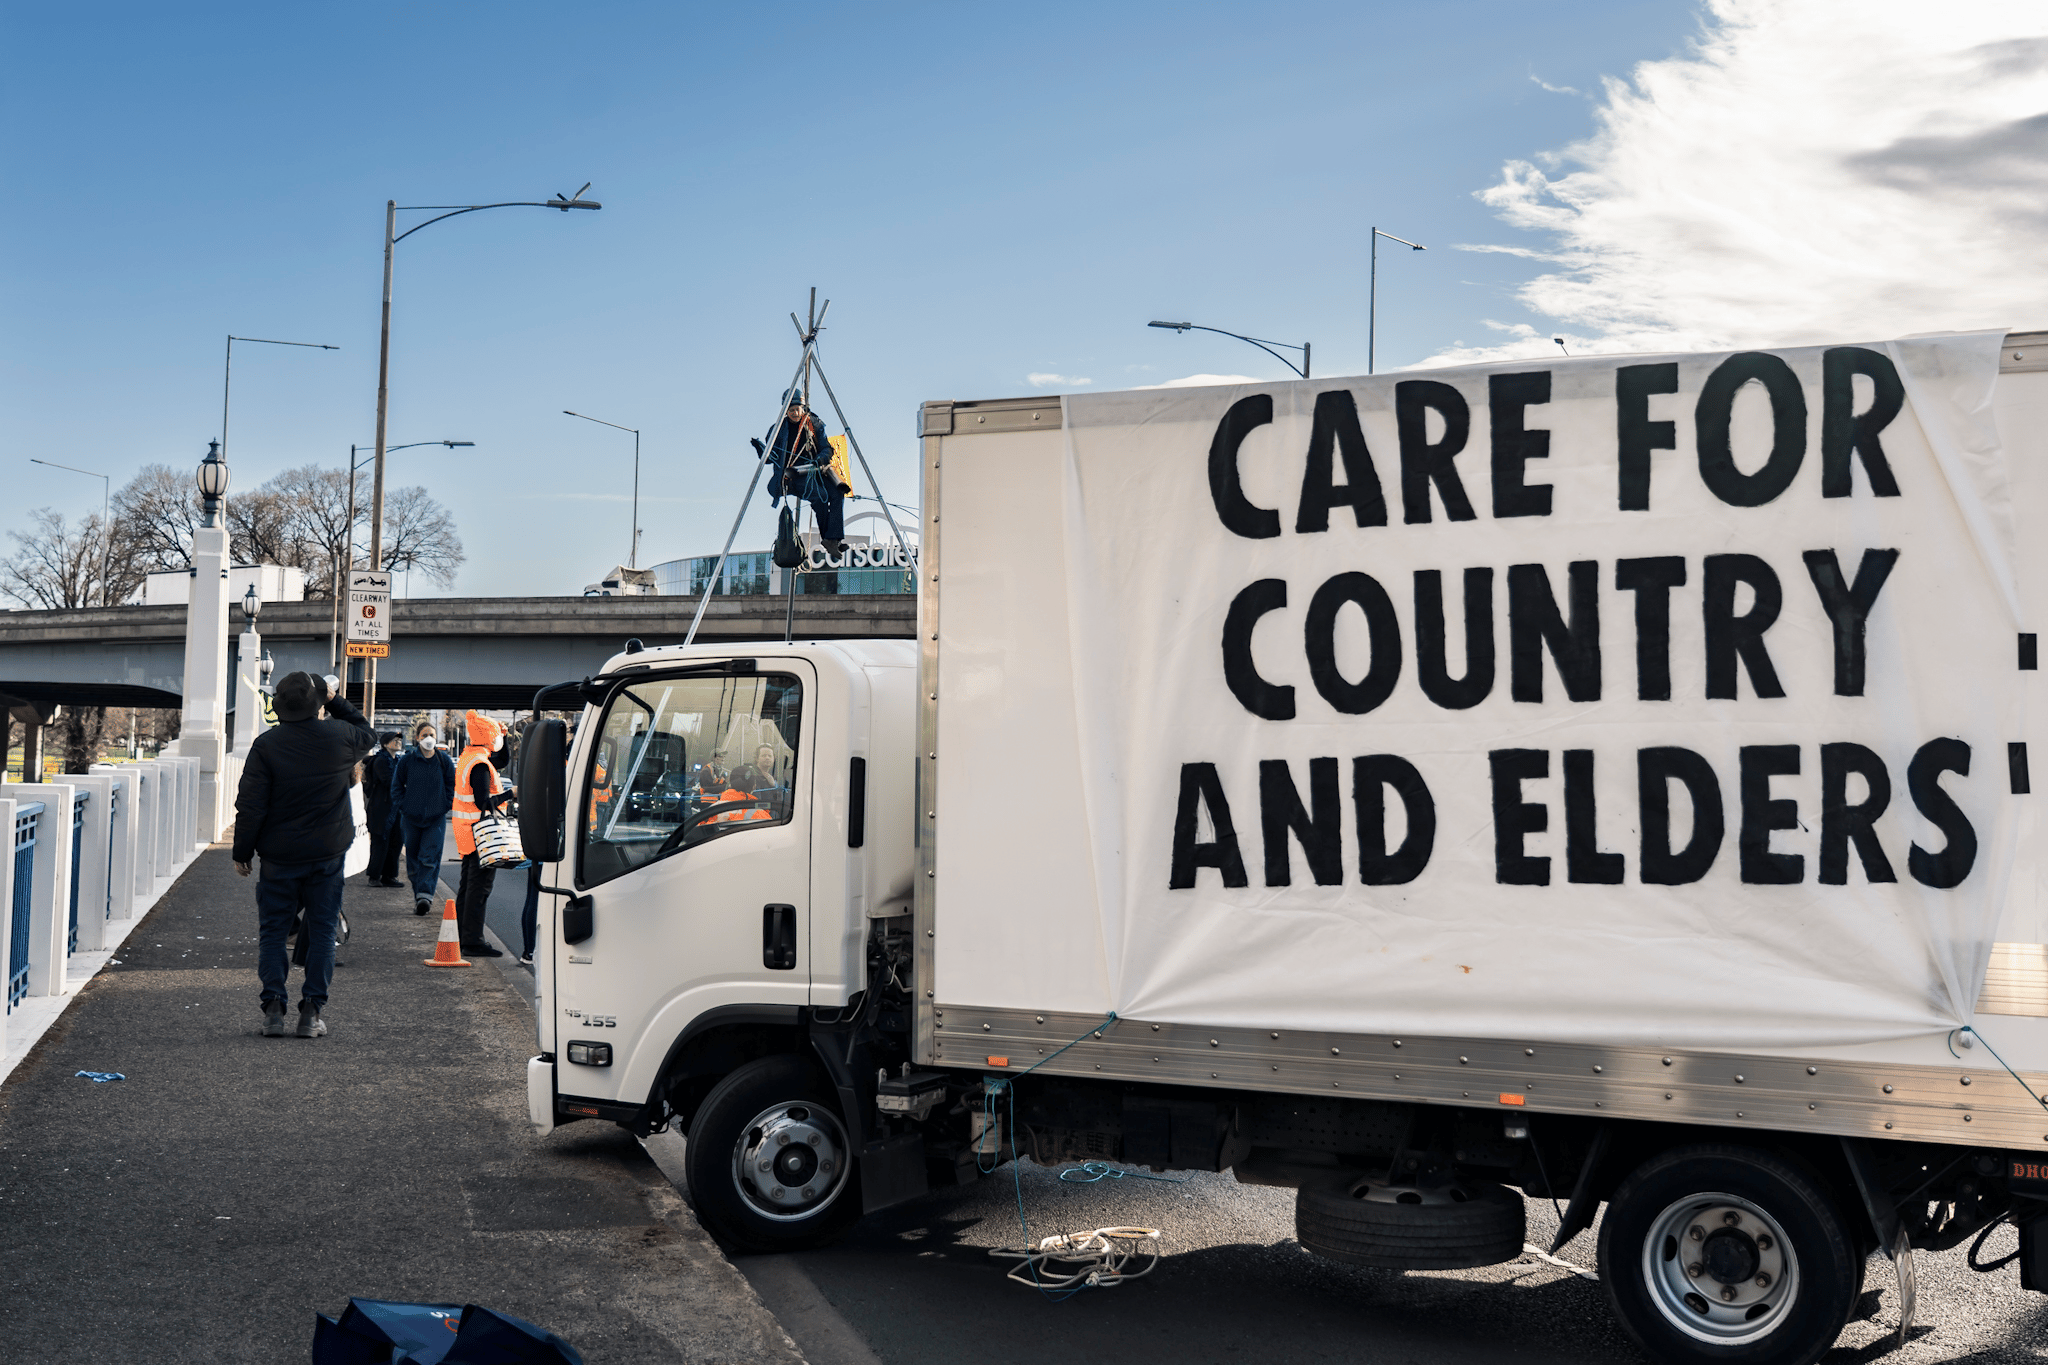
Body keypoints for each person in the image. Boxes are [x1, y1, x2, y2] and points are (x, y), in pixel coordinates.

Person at [231, 671, 377, 1039]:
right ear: (317, 704)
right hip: (327, 855)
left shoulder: (266, 746)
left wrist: (242, 851)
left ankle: (274, 1009)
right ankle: (311, 1012)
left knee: (274, 933)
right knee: (323, 932)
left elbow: (250, 805)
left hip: (279, 857)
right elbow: (366, 730)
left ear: (279, 706)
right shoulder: (340, 738)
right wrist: (333, 698)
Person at [452, 710, 512, 957]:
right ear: (489, 737)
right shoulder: (479, 765)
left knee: (468, 887)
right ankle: (473, 940)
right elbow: (482, 802)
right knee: (479, 889)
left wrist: (505, 738)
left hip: (468, 833)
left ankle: (462, 935)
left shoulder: (472, 757)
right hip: (482, 835)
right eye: (497, 735)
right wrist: (511, 794)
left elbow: (502, 760)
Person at [761, 391, 847, 553]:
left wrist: (821, 459)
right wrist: (761, 450)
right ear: (785, 411)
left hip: (817, 470)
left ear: (803, 408)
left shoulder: (814, 424)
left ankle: (833, 539)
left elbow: (826, 448)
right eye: (791, 410)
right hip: (793, 474)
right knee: (818, 496)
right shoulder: (778, 429)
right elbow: (768, 458)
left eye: (797, 409)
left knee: (837, 492)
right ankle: (828, 538)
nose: (795, 413)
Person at [391, 720, 456, 915]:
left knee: (429, 857)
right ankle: (419, 894)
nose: (429, 739)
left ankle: (425, 896)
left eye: (432, 735)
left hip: (435, 819)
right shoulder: (407, 761)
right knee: (412, 859)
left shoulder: (443, 761)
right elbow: (396, 787)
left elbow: (451, 786)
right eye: (425, 735)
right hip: (411, 819)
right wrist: (404, 806)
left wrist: (444, 805)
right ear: (417, 738)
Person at [362, 732, 405, 888]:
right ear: (386, 744)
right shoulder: (381, 760)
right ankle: (374, 876)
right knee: (380, 843)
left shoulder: (398, 760)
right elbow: (389, 781)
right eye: (395, 740)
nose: (399, 742)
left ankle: (389, 876)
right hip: (381, 809)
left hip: (396, 808)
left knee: (396, 842)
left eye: (400, 740)